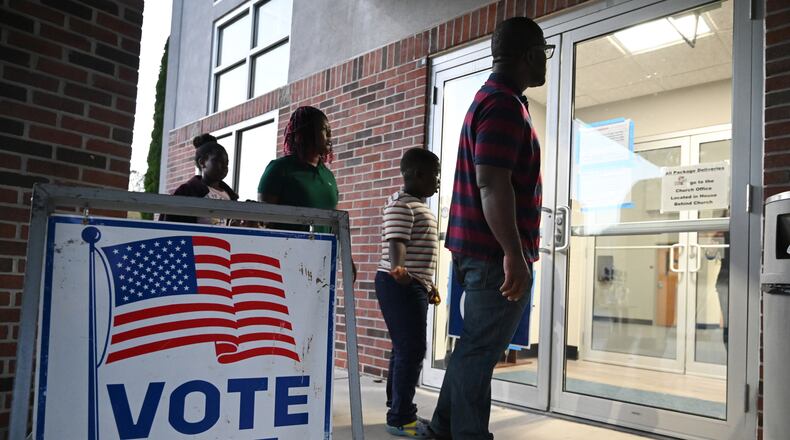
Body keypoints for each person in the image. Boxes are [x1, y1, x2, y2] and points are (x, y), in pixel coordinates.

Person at [430, 17, 549, 439]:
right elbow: (492, 183)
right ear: (528, 54)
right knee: (478, 356)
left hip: (477, 252)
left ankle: (441, 430)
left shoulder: (495, 99)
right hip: (493, 257)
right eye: (545, 54)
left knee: (472, 351)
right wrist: (514, 255)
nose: (546, 63)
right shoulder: (502, 104)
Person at [376, 148, 440, 438]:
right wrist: (399, 269)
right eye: (434, 175)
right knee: (412, 349)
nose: (437, 181)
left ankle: (397, 409)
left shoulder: (416, 204)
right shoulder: (402, 204)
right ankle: (401, 418)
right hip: (400, 282)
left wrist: (426, 282)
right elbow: (397, 240)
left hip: (413, 283)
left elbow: (418, 249)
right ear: (417, 174)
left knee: (404, 348)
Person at [257, 106, 337, 233]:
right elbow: (264, 222)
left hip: (324, 251)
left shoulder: (328, 175)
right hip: (286, 249)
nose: (329, 135)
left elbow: (333, 223)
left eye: (330, 131)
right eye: (324, 130)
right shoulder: (279, 168)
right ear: (305, 133)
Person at [161, 133, 238, 224]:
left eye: (227, 163)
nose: (225, 166)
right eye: (219, 161)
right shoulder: (186, 192)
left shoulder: (230, 196)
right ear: (202, 163)